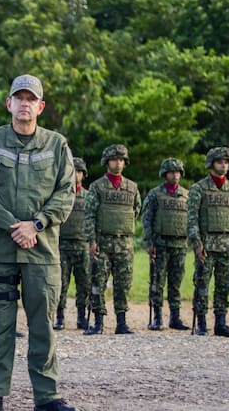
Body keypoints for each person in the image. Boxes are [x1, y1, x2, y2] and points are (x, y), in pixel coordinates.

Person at [0, 74, 75, 411]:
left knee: (43, 325)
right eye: (19, 98)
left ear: (41, 106)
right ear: (9, 103)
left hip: (42, 252)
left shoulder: (57, 145)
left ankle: (47, 397)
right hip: (0, 250)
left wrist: (36, 224)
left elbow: (66, 193)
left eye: (31, 99)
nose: (25, 104)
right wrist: (13, 226)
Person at [84, 144, 141, 335]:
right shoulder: (97, 187)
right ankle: (98, 322)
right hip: (103, 243)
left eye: (121, 159)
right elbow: (89, 215)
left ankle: (121, 322)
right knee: (98, 282)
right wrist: (92, 241)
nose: (118, 163)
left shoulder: (132, 187)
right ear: (107, 162)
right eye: (114, 159)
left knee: (123, 283)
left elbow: (136, 210)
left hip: (124, 243)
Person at [187, 147, 229, 337]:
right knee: (202, 284)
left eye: (226, 162)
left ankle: (221, 322)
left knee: (224, 285)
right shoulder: (198, 188)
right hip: (207, 244)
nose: (223, 165)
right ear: (211, 164)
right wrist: (197, 243)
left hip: (227, 243)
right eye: (220, 162)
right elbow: (192, 218)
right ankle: (201, 322)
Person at [141, 158, 191, 331]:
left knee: (176, 282)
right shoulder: (155, 194)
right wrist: (149, 242)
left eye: (177, 172)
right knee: (157, 282)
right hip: (160, 244)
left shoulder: (186, 195)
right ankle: (157, 317)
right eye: (171, 172)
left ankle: (175, 317)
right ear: (165, 174)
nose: (175, 175)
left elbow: (191, 220)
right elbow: (147, 219)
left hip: (179, 244)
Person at [54, 157, 91, 331]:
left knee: (84, 283)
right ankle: (59, 317)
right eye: (73, 171)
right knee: (61, 283)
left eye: (79, 171)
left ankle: (81, 317)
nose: (76, 175)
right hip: (62, 246)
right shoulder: (60, 196)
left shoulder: (89, 196)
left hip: (83, 245)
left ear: (83, 174)